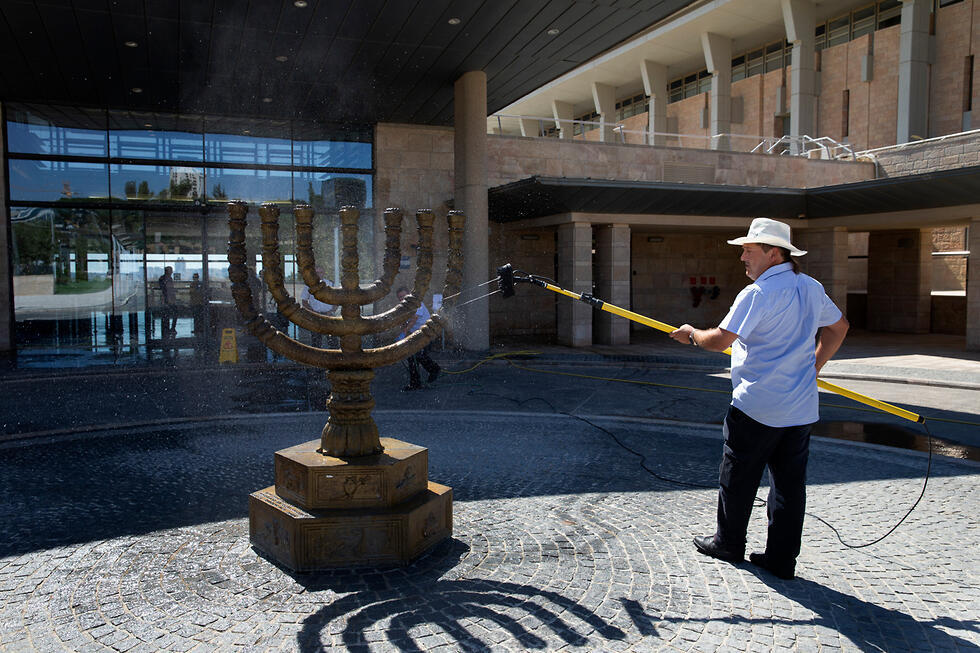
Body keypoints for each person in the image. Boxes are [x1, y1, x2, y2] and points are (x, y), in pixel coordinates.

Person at [668, 218, 849, 580]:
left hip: (757, 406)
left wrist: (691, 334)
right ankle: (782, 560)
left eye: (750, 250)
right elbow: (839, 328)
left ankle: (728, 543)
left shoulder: (757, 294)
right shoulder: (810, 287)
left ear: (774, 252)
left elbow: (720, 340)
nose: (743, 258)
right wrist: (813, 367)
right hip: (800, 407)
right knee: (789, 485)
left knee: (738, 476)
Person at [397, 286, 441, 391]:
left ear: (409, 294)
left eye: (404, 296)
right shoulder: (403, 307)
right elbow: (403, 321)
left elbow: (413, 319)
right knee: (412, 357)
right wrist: (403, 329)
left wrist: (404, 331)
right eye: (400, 297)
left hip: (427, 333)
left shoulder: (418, 303)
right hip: (416, 335)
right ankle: (415, 383)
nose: (402, 299)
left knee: (418, 355)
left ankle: (434, 370)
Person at [301, 267, 337, 348]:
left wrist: (332, 311)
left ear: (324, 273)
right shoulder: (308, 285)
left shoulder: (330, 284)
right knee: (316, 340)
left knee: (333, 340)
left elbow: (337, 300)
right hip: (315, 316)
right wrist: (312, 312)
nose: (319, 274)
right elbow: (304, 301)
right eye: (317, 272)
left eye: (320, 272)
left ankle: (335, 358)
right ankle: (316, 359)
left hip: (329, 316)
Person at [158, 266, 178, 335]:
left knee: (168, 315)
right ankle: (170, 328)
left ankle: (168, 329)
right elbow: (167, 290)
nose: (172, 272)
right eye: (171, 271)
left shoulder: (165, 278)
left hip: (168, 299)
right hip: (168, 300)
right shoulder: (166, 279)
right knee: (171, 314)